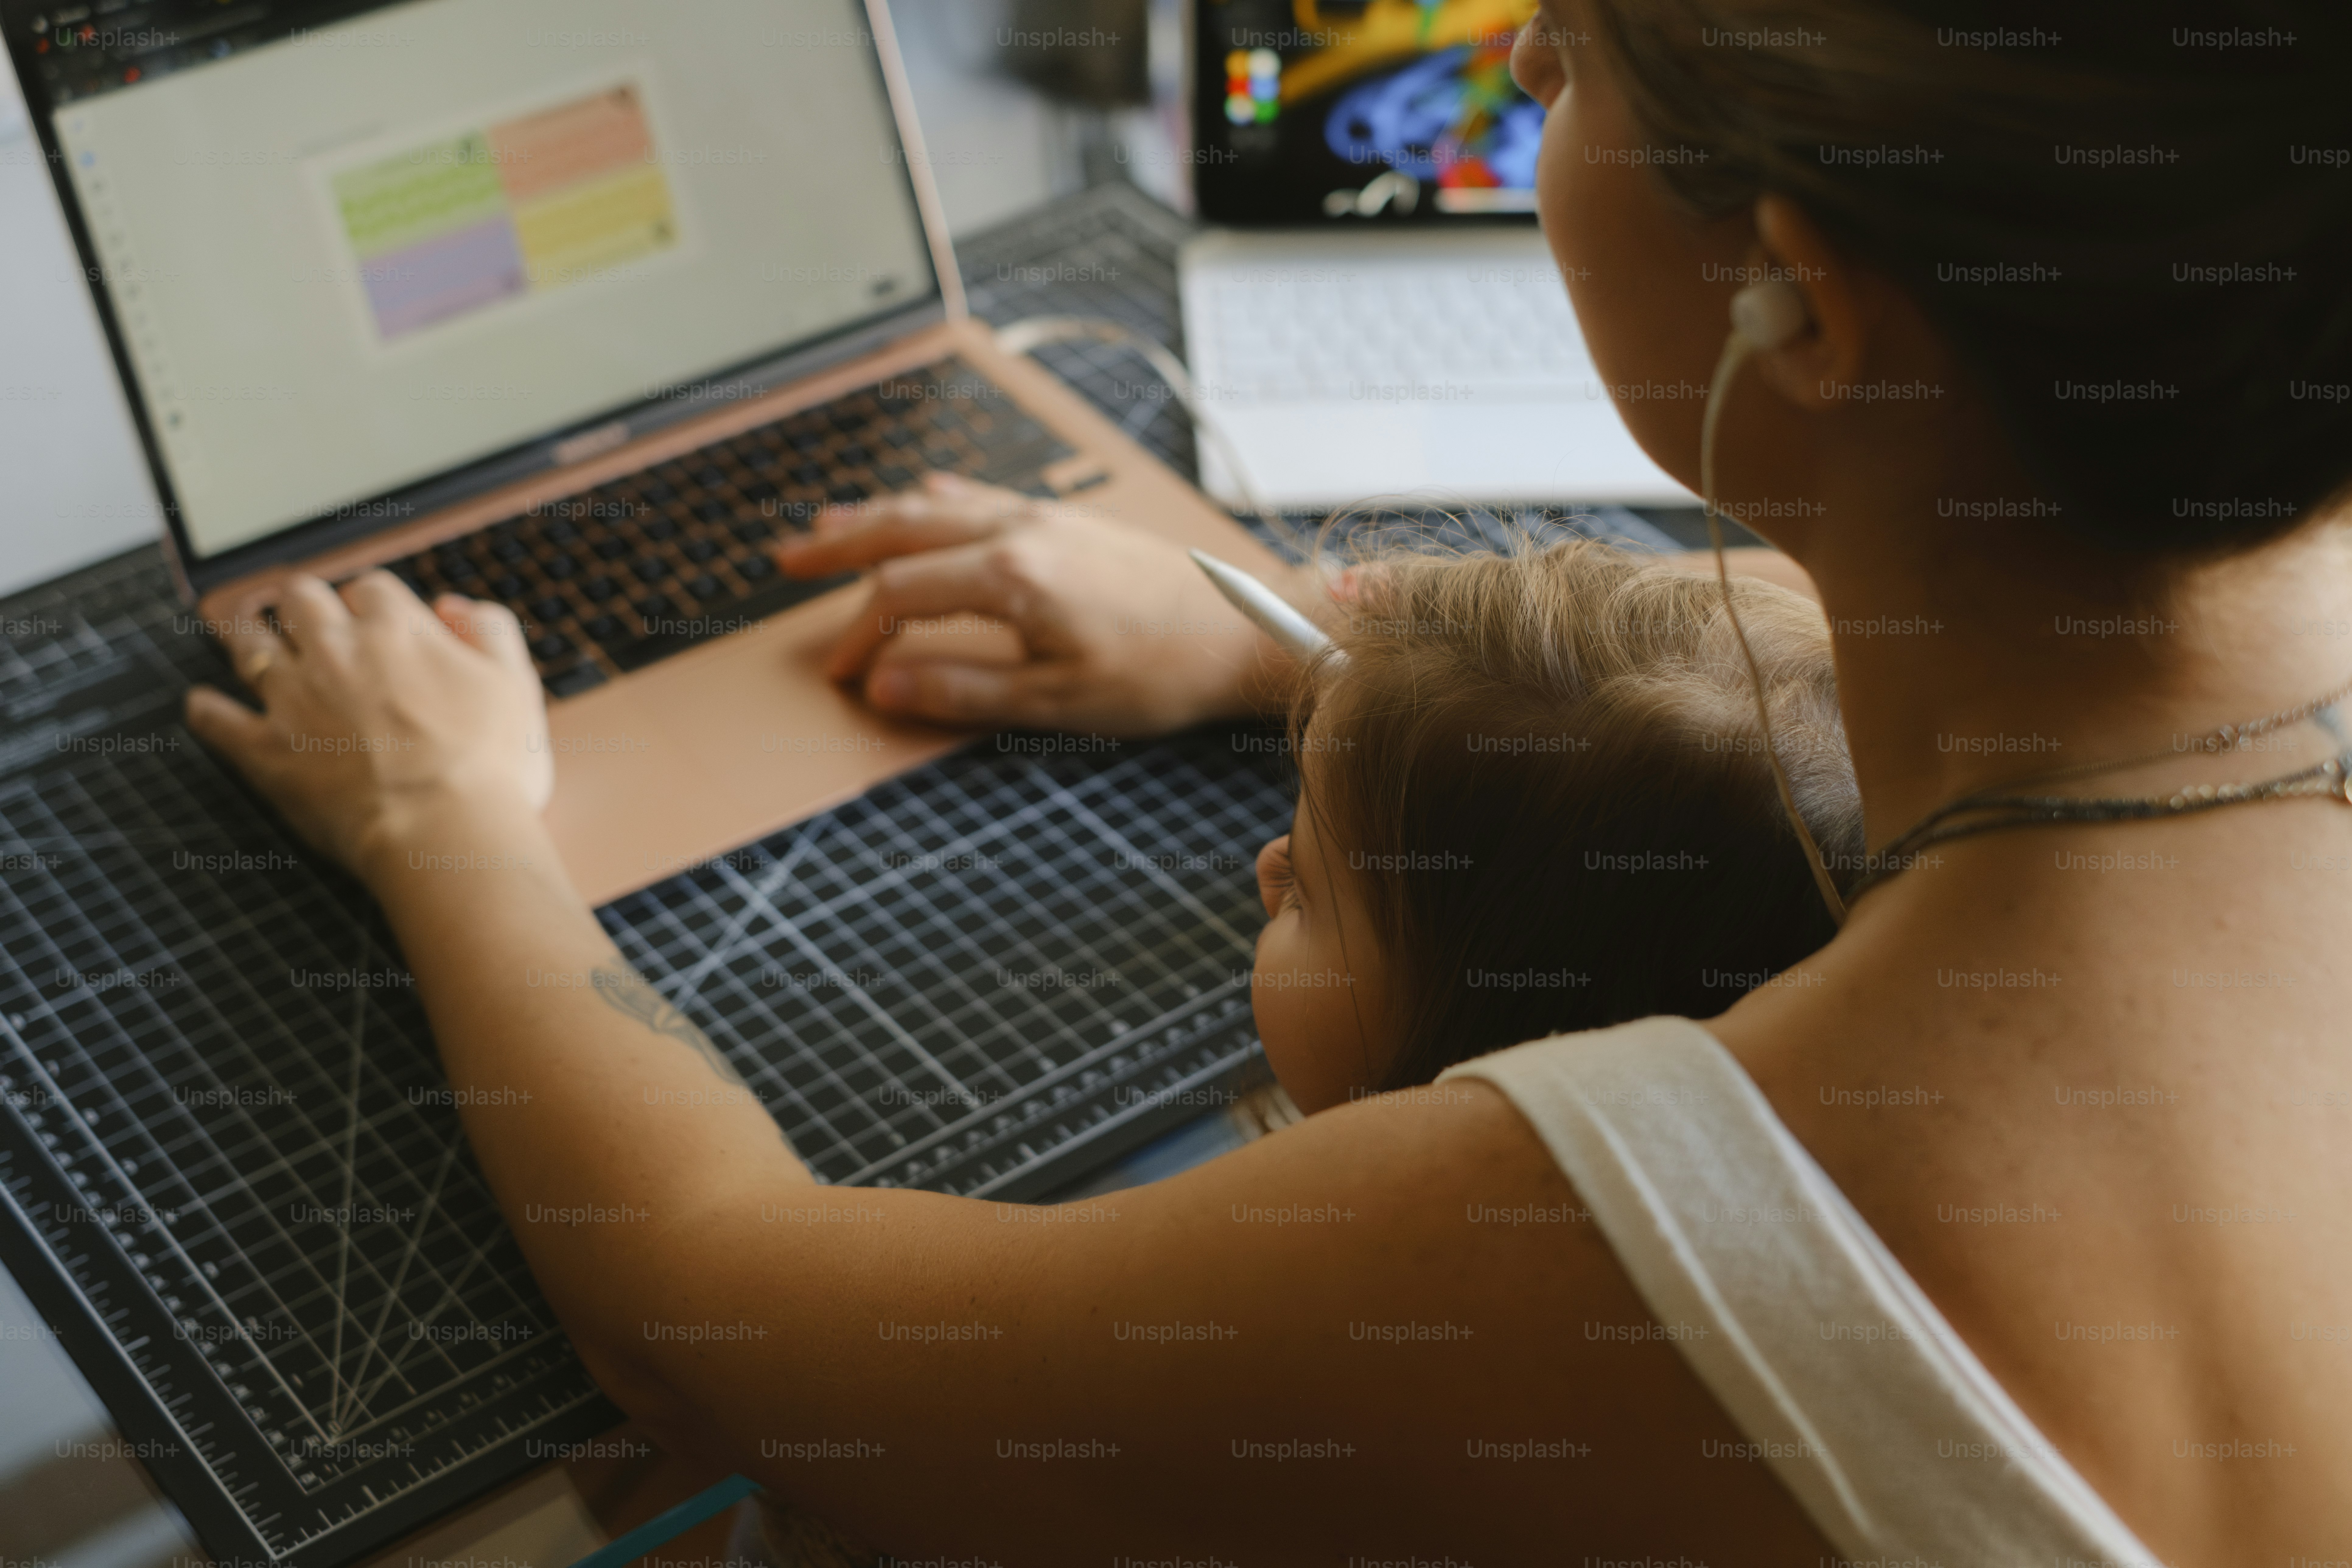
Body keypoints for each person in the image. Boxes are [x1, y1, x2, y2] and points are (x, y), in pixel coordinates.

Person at [185, 1, 2352, 1561]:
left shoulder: (1625, 1242)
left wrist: (443, 820)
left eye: (1579, 49)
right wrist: (1279, 630)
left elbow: (725, 1320)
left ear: (1804, 299)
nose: (1514, 71)